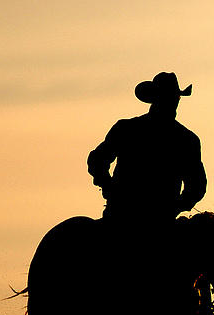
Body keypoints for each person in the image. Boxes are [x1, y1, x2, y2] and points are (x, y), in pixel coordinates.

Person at [87, 71, 207, 227]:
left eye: (174, 97)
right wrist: (107, 185)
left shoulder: (127, 128)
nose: (172, 101)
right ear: (155, 98)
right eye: (167, 96)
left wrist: (177, 206)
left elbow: (197, 185)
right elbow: (97, 160)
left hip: (146, 215)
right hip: (126, 213)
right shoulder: (186, 139)